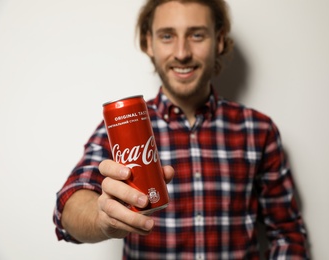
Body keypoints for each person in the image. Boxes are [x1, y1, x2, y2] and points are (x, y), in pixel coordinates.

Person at [53, 0, 310, 259]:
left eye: (197, 35)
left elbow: (287, 232)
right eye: (167, 36)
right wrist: (101, 219)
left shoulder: (259, 130)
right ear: (148, 43)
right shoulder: (121, 128)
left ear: (219, 40)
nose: (182, 52)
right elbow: (69, 204)